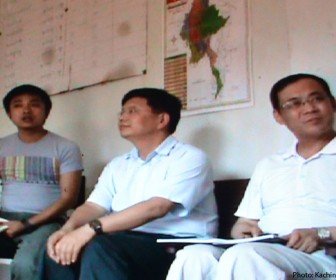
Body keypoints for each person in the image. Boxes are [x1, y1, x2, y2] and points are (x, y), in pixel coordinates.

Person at [166, 73, 336, 280]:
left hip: (323, 263)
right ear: (279, 116)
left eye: (317, 99)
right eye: (295, 104)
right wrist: (243, 231)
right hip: (271, 251)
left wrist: (321, 234)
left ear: (332, 103)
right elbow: (245, 222)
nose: (309, 108)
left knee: (246, 256)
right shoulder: (270, 165)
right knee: (194, 256)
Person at [41, 88, 218, 280]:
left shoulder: (189, 158)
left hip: (177, 243)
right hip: (127, 240)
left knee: (101, 248)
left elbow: (157, 207)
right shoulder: (118, 164)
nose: (122, 117)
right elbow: (94, 206)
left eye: (132, 111)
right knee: (59, 247)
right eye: (122, 111)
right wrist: (68, 230)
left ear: (162, 120)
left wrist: (91, 229)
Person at [0, 84, 83, 280]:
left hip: (46, 220)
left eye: (34, 104)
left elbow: (69, 198)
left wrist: (25, 224)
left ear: (46, 112)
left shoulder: (66, 147)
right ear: (10, 113)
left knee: (26, 263)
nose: (26, 110)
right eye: (18, 105)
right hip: (5, 219)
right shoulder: (1, 146)